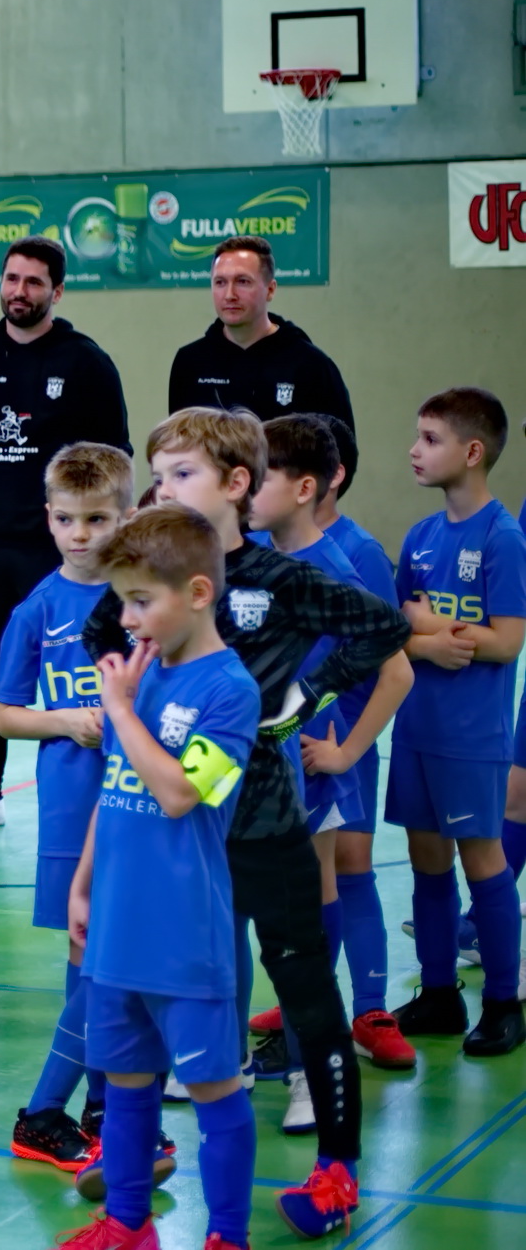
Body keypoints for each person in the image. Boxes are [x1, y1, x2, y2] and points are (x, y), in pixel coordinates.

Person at [80, 408, 411, 1233]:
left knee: (306, 994)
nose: (165, 489)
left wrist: (304, 695)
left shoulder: (282, 579)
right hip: (176, 838)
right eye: (158, 475)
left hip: (262, 823)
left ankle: (337, 1169)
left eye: (182, 473)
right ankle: (136, 1152)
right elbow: (102, 631)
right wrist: (141, 698)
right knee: (154, 992)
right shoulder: (154, 580)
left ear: (236, 483)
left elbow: (385, 627)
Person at [60, 504, 260, 1250]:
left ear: (199, 593)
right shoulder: (142, 677)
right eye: (122, 600)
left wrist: (119, 709)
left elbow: (178, 793)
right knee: (126, 1081)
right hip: (118, 925)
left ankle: (227, 1235)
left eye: (141, 600)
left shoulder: (229, 688)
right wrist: (83, 883)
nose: (127, 618)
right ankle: (126, 1223)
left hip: (183, 935)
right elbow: (115, 788)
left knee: (213, 1089)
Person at [245, 414, 415, 1130]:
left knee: (303, 923)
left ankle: (311, 1074)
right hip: (245, 771)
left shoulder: (338, 569)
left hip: (310, 771)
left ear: (306, 487)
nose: (248, 489)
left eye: (263, 477)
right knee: (242, 914)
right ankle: (239, 1060)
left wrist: (345, 753)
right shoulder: (249, 558)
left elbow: (396, 671)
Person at [0, 238, 130, 835]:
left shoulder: (85, 363)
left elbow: (115, 453)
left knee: (85, 667)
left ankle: (112, 774)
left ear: (57, 291)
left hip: (57, 550)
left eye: (33, 282)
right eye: (11, 279)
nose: (19, 291)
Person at [0, 443, 129, 1174]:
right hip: (73, 803)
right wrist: (67, 720)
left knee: (116, 953)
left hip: (139, 799)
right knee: (89, 954)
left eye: (98, 519)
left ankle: (100, 1103)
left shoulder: (143, 598)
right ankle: (50, 1109)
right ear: (48, 518)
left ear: (126, 516)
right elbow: (4, 715)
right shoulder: (38, 608)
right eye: (68, 519)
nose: (81, 534)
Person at [390, 387, 525, 1057]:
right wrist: (423, 641)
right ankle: (440, 992)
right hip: (416, 727)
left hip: (471, 737)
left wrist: (432, 623)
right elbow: (397, 627)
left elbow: (507, 640)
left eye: (430, 439)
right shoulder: (419, 536)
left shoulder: (502, 536)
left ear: (473, 452)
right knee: (426, 856)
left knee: (481, 857)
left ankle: (503, 1000)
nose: (415, 451)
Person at [312, 416, 415, 1070]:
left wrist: (351, 745)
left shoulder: (360, 552)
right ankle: (308, 1003)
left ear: (328, 477)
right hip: (289, 744)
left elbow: (391, 656)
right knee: (303, 879)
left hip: (345, 735)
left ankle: (371, 1008)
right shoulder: (261, 545)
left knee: (351, 864)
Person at [165, 237, 354, 431]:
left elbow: (341, 446)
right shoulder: (190, 363)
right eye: (220, 282)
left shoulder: (312, 366)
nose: (229, 295)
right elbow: (178, 442)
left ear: (270, 290)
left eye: (242, 281)